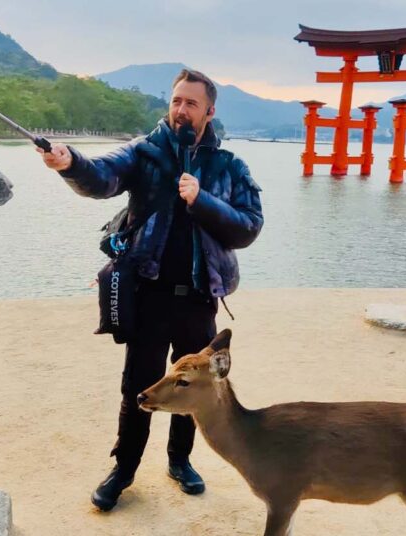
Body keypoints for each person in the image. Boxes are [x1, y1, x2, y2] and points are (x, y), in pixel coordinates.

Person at [38, 69, 264, 511]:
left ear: (209, 111)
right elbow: (103, 176)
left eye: (191, 103)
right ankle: (123, 469)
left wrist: (203, 200)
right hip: (149, 294)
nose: (181, 110)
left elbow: (249, 228)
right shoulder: (145, 152)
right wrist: (71, 163)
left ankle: (180, 461)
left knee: (195, 388)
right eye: (176, 101)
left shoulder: (229, 166)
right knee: (137, 387)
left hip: (200, 299)